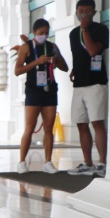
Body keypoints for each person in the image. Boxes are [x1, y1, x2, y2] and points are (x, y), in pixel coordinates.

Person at [13, 18, 68, 174]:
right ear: (34, 32)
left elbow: (65, 67)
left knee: (48, 128)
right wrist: (36, 61)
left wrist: (55, 60)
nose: (43, 35)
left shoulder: (52, 47)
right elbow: (17, 70)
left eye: (46, 33)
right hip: (33, 90)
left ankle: (48, 161)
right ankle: (22, 161)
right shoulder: (26, 47)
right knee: (29, 127)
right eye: (41, 33)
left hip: (49, 89)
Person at [66, 0, 109, 177]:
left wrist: (85, 29)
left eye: (87, 11)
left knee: (97, 122)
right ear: (76, 12)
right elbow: (79, 55)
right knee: (81, 123)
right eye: (80, 11)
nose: (83, 15)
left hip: (96, 83)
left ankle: (102, 163)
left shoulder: (101, 29)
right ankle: (87, 163)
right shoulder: (72, 33)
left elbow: (92, 50)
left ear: (94, 12)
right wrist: (75, 69)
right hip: (79, 84)